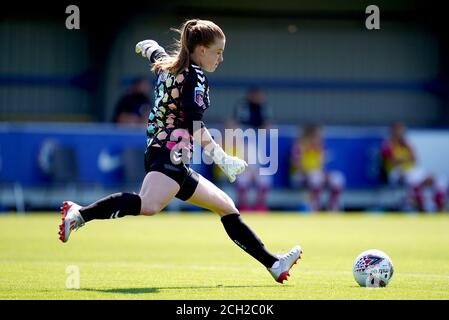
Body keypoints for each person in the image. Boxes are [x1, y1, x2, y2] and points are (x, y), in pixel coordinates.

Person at [58, 19, 302, 284]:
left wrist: (150, 47)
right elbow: (196, 125)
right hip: (168, 153)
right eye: (218, 51)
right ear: (200, 50)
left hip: (172, 156)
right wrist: (222, 158)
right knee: (148, 205)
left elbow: (160, 57)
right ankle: (80, 214)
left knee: (227, 207)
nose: (221, 58)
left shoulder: (171, 66)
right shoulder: (195, 77)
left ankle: (274, 264)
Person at [380, 122, 447, 212]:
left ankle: (439, 205)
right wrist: (405, 159)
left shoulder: (406, 144)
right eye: (398, 131)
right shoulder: (387, 145)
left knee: (439, 179)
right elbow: (394, 161)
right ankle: (421, 207)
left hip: (411, 170)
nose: (401, 133)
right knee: (414, 180)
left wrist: (403, 159)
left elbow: (414, 158)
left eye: (402, 131)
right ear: (393, 131)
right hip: (396, 172)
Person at [289, 125, 345, 212]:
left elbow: (321, 167)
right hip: (299, 176)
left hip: (315, 175)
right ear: (311, 135)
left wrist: (326, 175)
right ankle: (315, 205)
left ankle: (333, 206)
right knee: (315, 176)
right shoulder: (299, 146)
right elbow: (297, 166)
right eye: (318, 135)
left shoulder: (320, 148)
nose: (321, 138)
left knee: (337, 177)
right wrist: (310, 173)